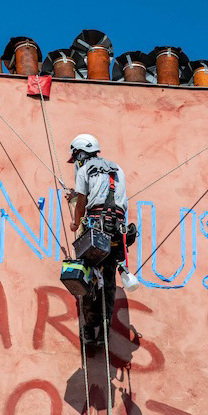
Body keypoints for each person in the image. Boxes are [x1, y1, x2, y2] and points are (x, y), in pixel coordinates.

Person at [66, 134, 129, 345]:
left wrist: (76, 223)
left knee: (86, 277)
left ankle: (87, 328)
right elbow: (117, 201)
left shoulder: (84, 170)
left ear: (80, 154)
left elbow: (83, 203)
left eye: (76, 159)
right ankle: (104, 330)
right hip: (116, 231)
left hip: (95, 230)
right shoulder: (117, 169)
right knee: (108, 281)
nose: (76, 163)